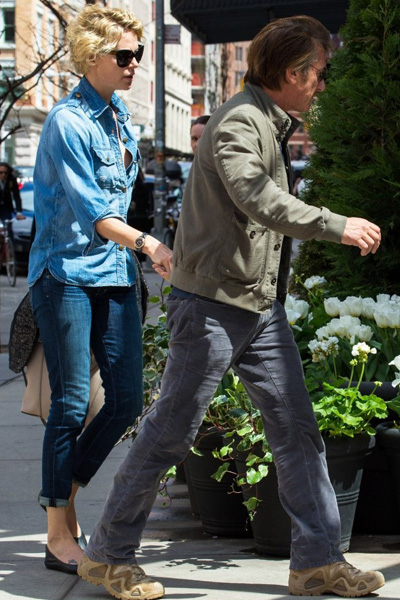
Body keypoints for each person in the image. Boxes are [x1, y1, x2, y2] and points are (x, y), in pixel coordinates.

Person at [78, 15, 383, 599]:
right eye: (319, 72)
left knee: (297, 432)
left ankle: (317, 562)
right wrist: (336, 225)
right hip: (211, 305)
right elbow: (258, 198)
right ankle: (108, 556)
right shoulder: (240, 120)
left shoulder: (268, 121)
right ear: (291, 73)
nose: (322, 84)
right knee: (170, 431)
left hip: (256, 305)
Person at [27, 4, 172, 576]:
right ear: (92, 56)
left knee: (128, 400)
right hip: (64, 274)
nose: (134, 63)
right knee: (68, 404)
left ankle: (62, 491)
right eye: (124, 54)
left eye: (139, 54)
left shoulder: (120, 119)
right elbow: (94, 211)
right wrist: (150, 244)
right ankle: (57, 534)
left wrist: (137, 250)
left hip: (113, 273)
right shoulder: (67, 122)